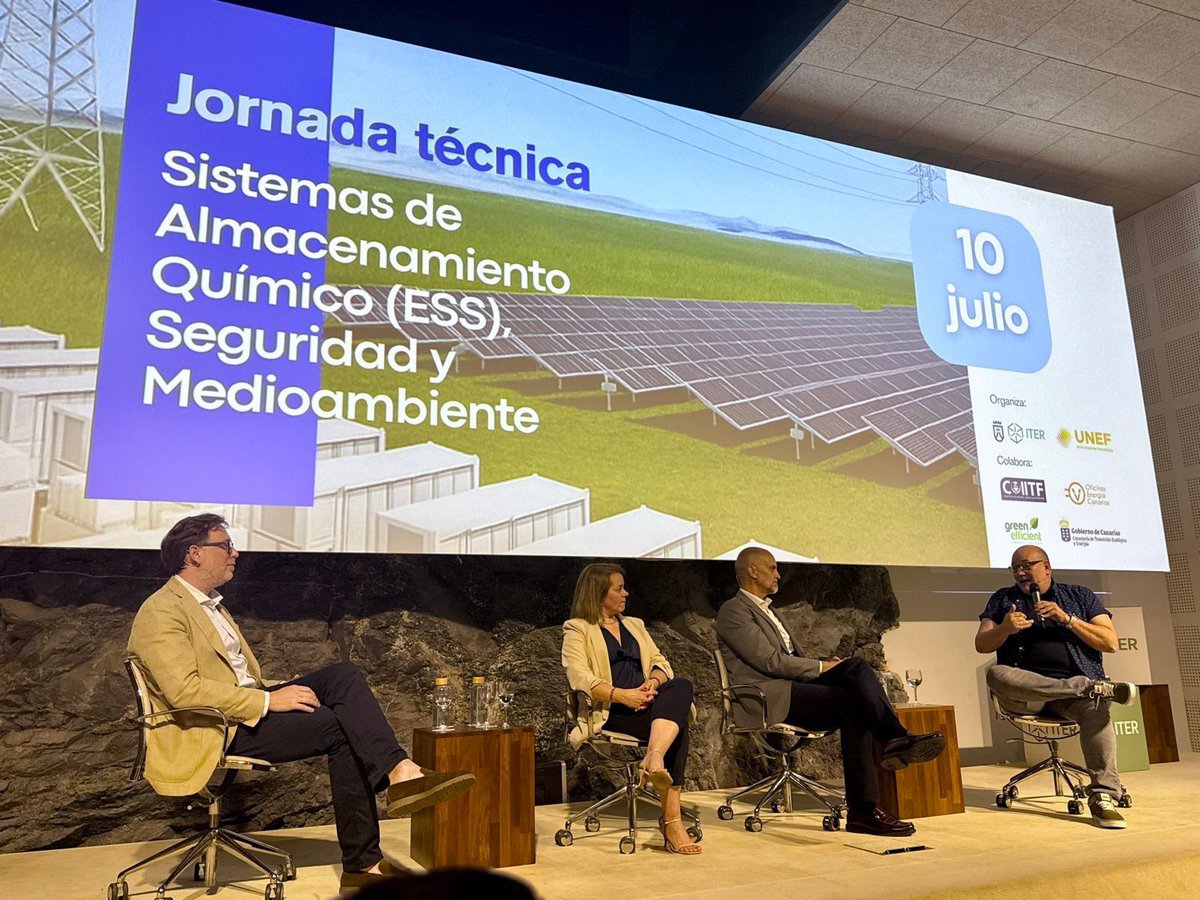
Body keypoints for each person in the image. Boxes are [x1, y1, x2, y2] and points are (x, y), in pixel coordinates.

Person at [127, 514, 475, 893]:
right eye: (225, 546)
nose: (235, 552)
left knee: (342, 677)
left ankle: (401, 772)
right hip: (213, 728)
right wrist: (268, 700)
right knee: (340, 728)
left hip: (242, 709)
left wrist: (276, 689)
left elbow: (234, 678)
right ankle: (365, 862)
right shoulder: (162, 610)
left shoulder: (211, 606)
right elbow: (184, 691)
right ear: (194, 554)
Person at [715, 547, 945, 837]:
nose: (778, 574)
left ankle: (865, 808)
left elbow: (787, 660)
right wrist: (823, 666)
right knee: (856, 671)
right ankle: (893, 742)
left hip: (792, 688)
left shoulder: (770, 610)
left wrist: (827, 667)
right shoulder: (733, 611)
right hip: (765, 697)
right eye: (772, 568)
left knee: (856, 693)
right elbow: (770, 662)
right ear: (752, 571)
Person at [976, 544, 1136, 829]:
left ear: (1046, 566)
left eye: (1027, 565)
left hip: (1070, 701)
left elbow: (1110, 642)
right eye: (1016, 568)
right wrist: (1005, 628)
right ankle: (1088, 687)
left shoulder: (1080, 596)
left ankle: (1103, 796)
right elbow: (981, 644)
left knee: (1094, 708)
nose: (1021, 573)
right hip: (1026, 696)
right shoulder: (1002, 600)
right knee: (996, 674)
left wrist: (1068, 619)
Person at [561, 562, 700, 855]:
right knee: (678, 725)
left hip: (648, 705)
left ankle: (653, 757)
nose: (626, 593)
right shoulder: (578, 629)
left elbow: (661, 662)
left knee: (681, 685)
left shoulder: (634, 624)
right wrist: (622, 696)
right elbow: (579, 677)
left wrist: (652, 681)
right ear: (600, 594)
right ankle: (672, 822)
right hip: (612, 713)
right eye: (619, 588)